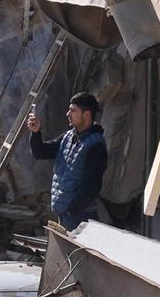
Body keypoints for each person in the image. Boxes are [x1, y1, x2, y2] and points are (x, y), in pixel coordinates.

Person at [29, 93, 111, 229]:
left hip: (80, 216)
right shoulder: (68, 137)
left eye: (73, 110)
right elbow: (40, 152)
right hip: (66, 214)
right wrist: (36, 132)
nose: (67, 114)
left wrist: (72, 209)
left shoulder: (96, 146)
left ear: (86, 115)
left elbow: (92, 186)